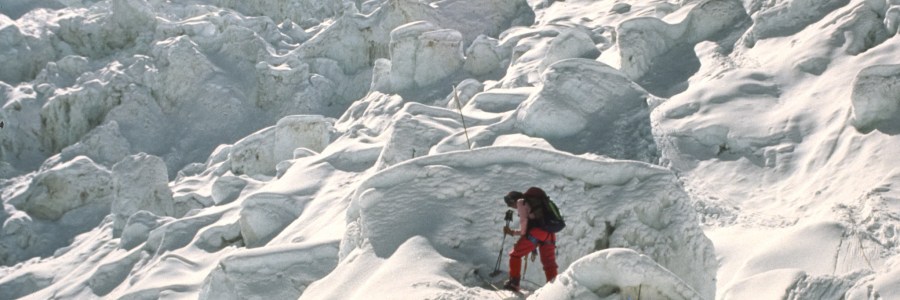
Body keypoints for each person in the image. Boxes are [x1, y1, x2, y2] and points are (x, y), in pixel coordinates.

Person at [501, 187, 558, 291]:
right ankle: (554, 289)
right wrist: (513, 233)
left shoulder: (520, 202)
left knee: (515, 255)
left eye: (510, 204)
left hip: (536, 233)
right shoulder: (535, 204)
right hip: (550, 234)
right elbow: (529, 228)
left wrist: (521, 238)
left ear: (514, 200)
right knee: (549, 263)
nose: (514, 207)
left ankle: (514, 284)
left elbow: (524, 223)